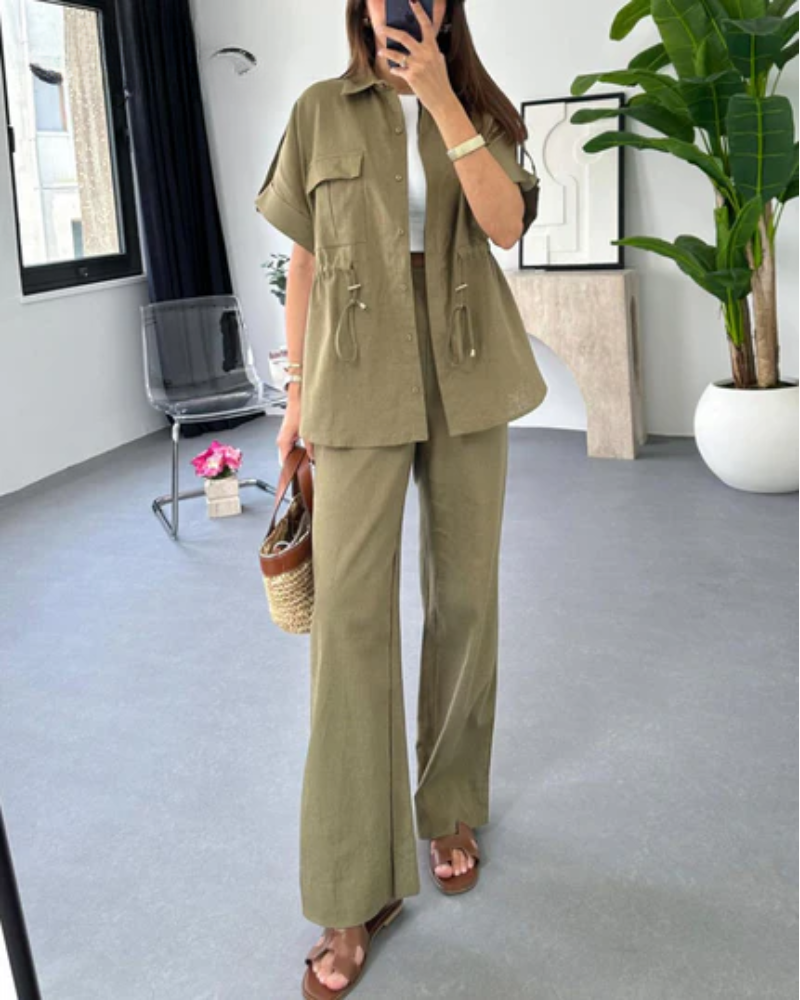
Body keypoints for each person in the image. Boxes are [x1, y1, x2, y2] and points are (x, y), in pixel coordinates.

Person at [254, 1, 548, 996]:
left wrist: (439, 97)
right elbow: (300, 261)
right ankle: (352, 885)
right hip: (351, 377)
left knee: (463, 598)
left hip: (468, 365)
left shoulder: (480, 108)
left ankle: (449, 803)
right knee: (348, 623)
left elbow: (504, 224)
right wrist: (295, 394)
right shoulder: (316, 110)